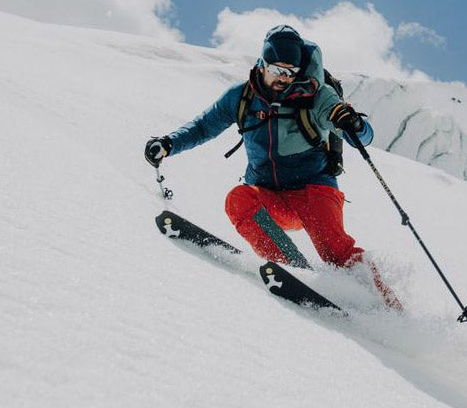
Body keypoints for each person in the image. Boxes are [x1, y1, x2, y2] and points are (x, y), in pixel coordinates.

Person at [145, 25, 401, 310]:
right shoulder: (241, 98)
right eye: (277, 69)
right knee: (238, 199)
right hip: (270, 195)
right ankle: (293, 270)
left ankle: (390, 310)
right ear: (261, 64)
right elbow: (205, 125)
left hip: (314, 191)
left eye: (290, 72)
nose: (284, 78)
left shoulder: (317, 95)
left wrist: (354, 123)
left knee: (336, 253)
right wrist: (169, 143)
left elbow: (363, 136)